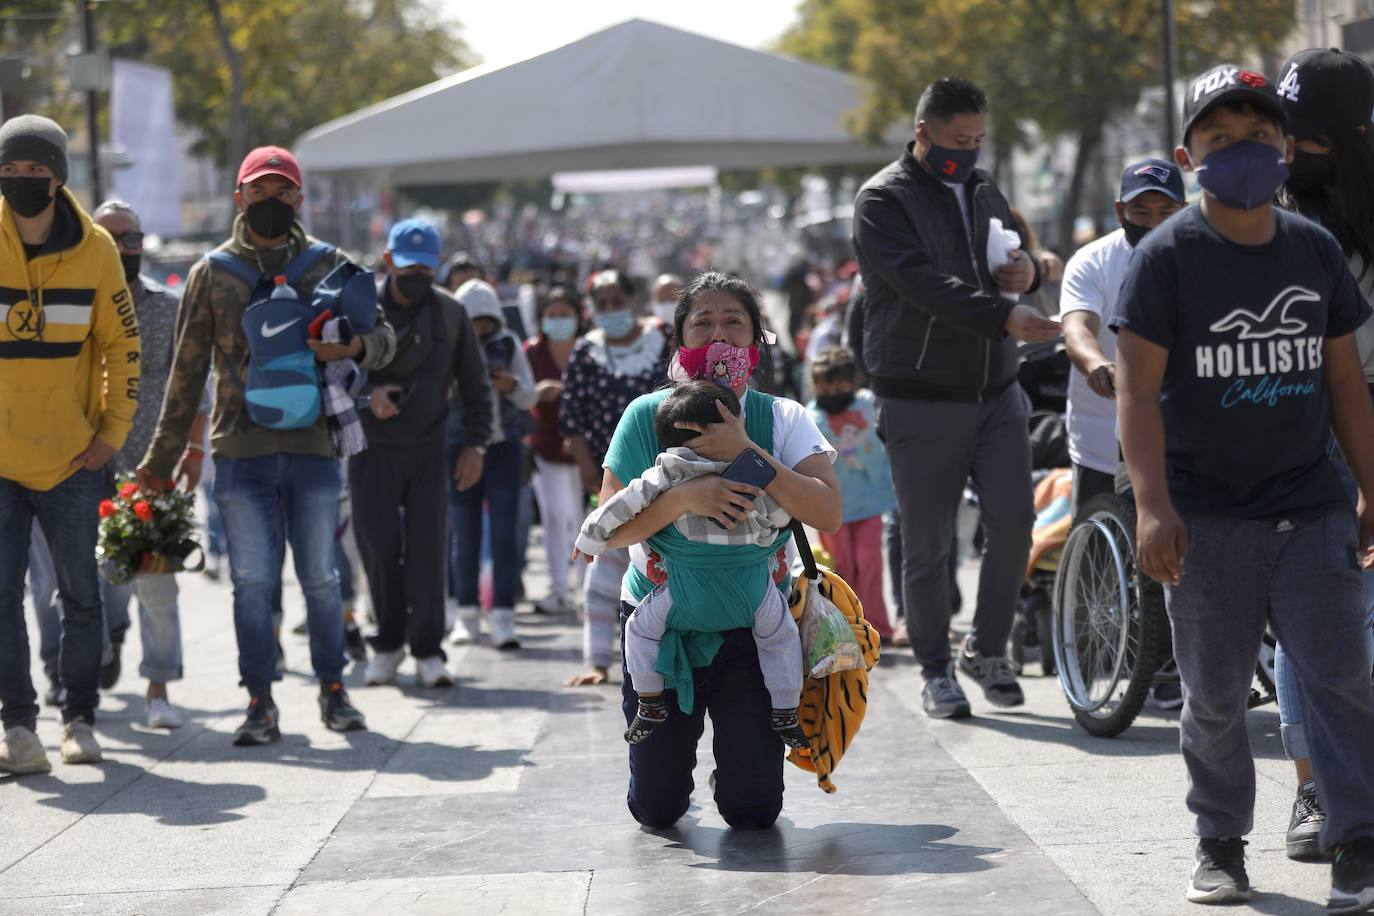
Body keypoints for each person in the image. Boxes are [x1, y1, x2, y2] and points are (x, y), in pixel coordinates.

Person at [1112, 63, 1374, 908]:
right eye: (1220, 139)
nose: (1243, 153)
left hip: (1311, 507)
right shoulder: (1166, 260)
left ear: (1287, 148)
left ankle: (1359, 841)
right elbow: (1136, 391)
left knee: (1338, 676)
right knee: (1216, 696)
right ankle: (1220, 841)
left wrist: (1370, 487)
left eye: (1259, 137)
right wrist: (1152, 505)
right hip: (1207, 520)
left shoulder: (1315, 251)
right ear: (1187, 155)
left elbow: (1344, 385)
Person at [138, 146, 396, 746]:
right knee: (252, 582)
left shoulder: (329, 265)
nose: (272, 201)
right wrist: (160, 460)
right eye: (260, 191)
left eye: (283, 191)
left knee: (323, 579)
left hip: (313, 446)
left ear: (299, 199)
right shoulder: (211, 273)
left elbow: (382, 336)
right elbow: (185, 374)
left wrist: (353, 350)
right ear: (240, 198)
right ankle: (260, 702)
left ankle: (334, 692)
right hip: (239, 448)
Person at [600, 270, 841, 829]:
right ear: (679, 340)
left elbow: (827, 511)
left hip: (753, 623)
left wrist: (745, 448)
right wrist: (685, 498)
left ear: (757, 339)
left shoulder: (784, 418)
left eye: (734, 323)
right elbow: (608, 526)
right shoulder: (644, 415)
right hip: (661, 620)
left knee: (752, 811)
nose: (719, 337)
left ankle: (735, 772)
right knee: (656, 811)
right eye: (702, 323)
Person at [852, 76, 1055, 720]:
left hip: (997, 387)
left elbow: (1014, 251)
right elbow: (921, 283)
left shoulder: (985, 188)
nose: (968, 151)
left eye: (977, 139)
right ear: (923, 133)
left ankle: (988, 649)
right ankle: (936, 667)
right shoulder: (882, 200)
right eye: (957, 140)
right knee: (928, 541)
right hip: (920, 393)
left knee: (1016, 522)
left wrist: (1031, 271)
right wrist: (1001, 314)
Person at [0, 115, 140, 773]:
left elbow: (123, 347)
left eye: (35, 170)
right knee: (0, 598)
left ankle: (78, 718)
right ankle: (19, 730)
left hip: (73, 460)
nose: (23, 181)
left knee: (81, 598)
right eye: (11, 169)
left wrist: (109, 435)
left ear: (58, 174)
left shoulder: (97, 251)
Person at [574, 380, 807, 749]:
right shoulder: (752, 469)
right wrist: (760, 540)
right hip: (754, 589)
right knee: (781, 639)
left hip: (682, 590)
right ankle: (786, 709)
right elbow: (777, 517)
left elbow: (620, 506)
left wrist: (589, 537)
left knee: (638, 630)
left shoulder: (668, 469)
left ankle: (649, 702)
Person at [1274, 46, 1374, 866]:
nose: (1289, 151)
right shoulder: (1266, 210)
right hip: (1302, 439)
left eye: (1307, 136)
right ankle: (1313, 785)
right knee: (1316, 624)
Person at [355, 218, 492, 688]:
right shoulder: (359, 306)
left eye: (425, 268)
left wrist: (475, 444)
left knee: (429, 549)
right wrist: (367, 394)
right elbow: (333, 372)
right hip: (369, 448)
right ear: (389, 260)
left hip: (431, 448)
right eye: (407, 266)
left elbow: (476, 386)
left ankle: (428, 650)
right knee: (377, 546)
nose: (416, 276)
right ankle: (388, 643)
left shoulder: (451, 314)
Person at [92, 199, 211, 728]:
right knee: (100, 582)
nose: (122, 248)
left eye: (131, 237)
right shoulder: (76, 308)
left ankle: (158, 688)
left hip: (151, 467)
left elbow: (192, 382)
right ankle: (108, 640)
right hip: (86, 465)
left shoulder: (168, 308)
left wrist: (194, 447)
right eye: (109, 237)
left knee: (157, 586)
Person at [559, 270, 671, 686]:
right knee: (603, 567)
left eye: (616, 300)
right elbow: (572, 417)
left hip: (670, 476)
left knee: (662, 565)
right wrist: (591, 469)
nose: (610, 311)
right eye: (600, 304)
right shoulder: (586, 352)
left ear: (631, 299)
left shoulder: (663, 339)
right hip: (613, 478)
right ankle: (598, 660)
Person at [1061, 160, 1186, 519]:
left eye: (1166, 212)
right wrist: (1098, 364)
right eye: (1141, 212)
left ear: (1185, 210)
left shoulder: (1205, 259)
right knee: (1100, 559)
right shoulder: (1092, 262)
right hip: (1101, 440)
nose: (1153, 224)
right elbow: (1077, 327)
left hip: (1182, 438)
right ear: (1120, 211)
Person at [448, 278, 536, 651]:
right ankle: (465, 615)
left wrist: (510, 385)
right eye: (472, 321)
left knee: (504, 536)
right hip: (458, 448)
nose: (479, 330)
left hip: (504, 450)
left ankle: (503, 615)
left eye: (485, 321)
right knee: (464, 535)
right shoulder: (448, 347)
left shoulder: (508, 344)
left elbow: (529, 394)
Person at [806, 346, 896, 640]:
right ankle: (846, 627)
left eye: (840, 385)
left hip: (870, 504)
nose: (833, 392)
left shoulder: (869, 405)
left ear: (853, 382)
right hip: (831, 508)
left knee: (870, 562)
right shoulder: (810, 416)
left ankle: (877, 627)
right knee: (840, 569)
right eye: (826, 386)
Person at [525, 285, 586, 614]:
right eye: (552, 315)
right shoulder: (532, 352)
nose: (558, 320)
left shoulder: (589, 350)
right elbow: (520, 394)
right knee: (553, 517)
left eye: (565, 315)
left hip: (587, 450)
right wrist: (536, 393)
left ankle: (588, 588)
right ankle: (559, 589)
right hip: (546, 447)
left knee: (587, 520)